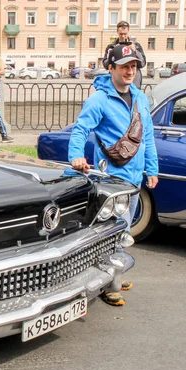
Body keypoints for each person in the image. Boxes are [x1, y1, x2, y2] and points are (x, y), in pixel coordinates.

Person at [68, 45, 158, 307]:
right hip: (112, 181)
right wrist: (76, 156)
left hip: (134, 178)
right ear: (111, 69)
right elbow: (81, 129)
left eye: (134, 66)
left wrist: (151, 168)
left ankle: (114, 274)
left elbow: (147, 137)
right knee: (110, 233)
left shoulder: (140, 97)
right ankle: (109, 284)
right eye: (124, 66)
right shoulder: (100, 99)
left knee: (124, 230)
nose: (130, 71)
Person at [103, 21, 146, 89]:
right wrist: (114, 52)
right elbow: (105, 65)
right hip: (116, 84)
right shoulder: (111, 47)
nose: (123, 36)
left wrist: (134, 51)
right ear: (117, 32)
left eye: (125, 34)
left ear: (128, 32)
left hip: (134, 84)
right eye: (121, 34)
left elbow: (142, 63)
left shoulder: (136, 46)